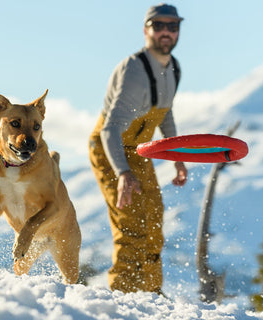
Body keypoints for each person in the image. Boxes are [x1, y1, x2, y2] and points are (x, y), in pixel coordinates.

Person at [89, 3, 188, 294]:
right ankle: (123, 297)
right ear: (146, 29)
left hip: (140, 149)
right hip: (111, 149)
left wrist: (177, 158)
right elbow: (110, 129)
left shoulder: (174, 67)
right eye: (159, 26)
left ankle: (151, 294)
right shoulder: (135, 70)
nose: (166, 32)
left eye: (173, 26)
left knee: (154, 220)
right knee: (131, 223)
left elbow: (164, 113)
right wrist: (122, 173)